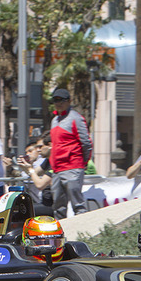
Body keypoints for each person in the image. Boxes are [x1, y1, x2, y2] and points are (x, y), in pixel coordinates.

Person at [48, 88, 92, 219]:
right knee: (58, 206)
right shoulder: (54, 120)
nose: (58, 103)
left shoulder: (76, 118)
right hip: (57, 169)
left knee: (78, 205)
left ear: (69, 101)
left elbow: (87, 143)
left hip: (73, 167)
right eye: (55, 100)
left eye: (62, 100)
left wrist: (81, 163)